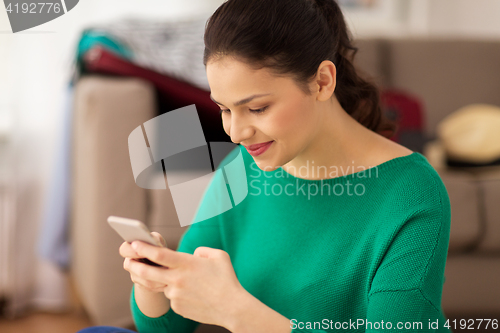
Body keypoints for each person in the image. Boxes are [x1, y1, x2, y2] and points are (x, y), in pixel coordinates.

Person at [79, 0, 452, 332]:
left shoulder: (410, 194)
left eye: (257, 108)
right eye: (225, 109)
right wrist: (153, 280)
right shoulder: (242, 169)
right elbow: (166, 325)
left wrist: (237, 312)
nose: (236, 132)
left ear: (322, 81)